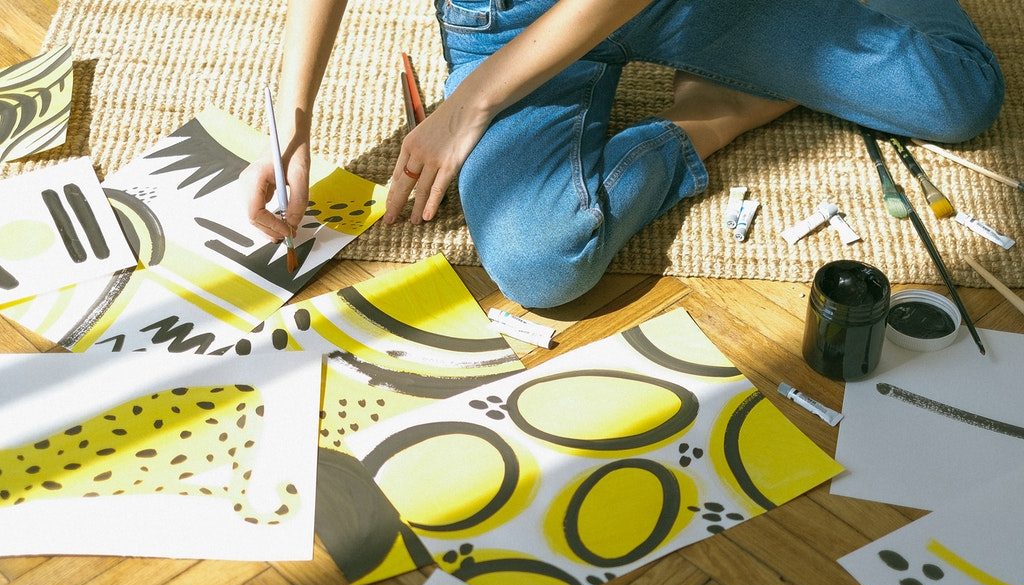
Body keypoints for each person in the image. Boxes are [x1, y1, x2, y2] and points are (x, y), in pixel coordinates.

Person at [245, 0, 1003, 308]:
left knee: (960, 95)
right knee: (540, 263)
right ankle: (714, 111)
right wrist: (294, 123)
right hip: (500, 24)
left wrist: (471, 104)